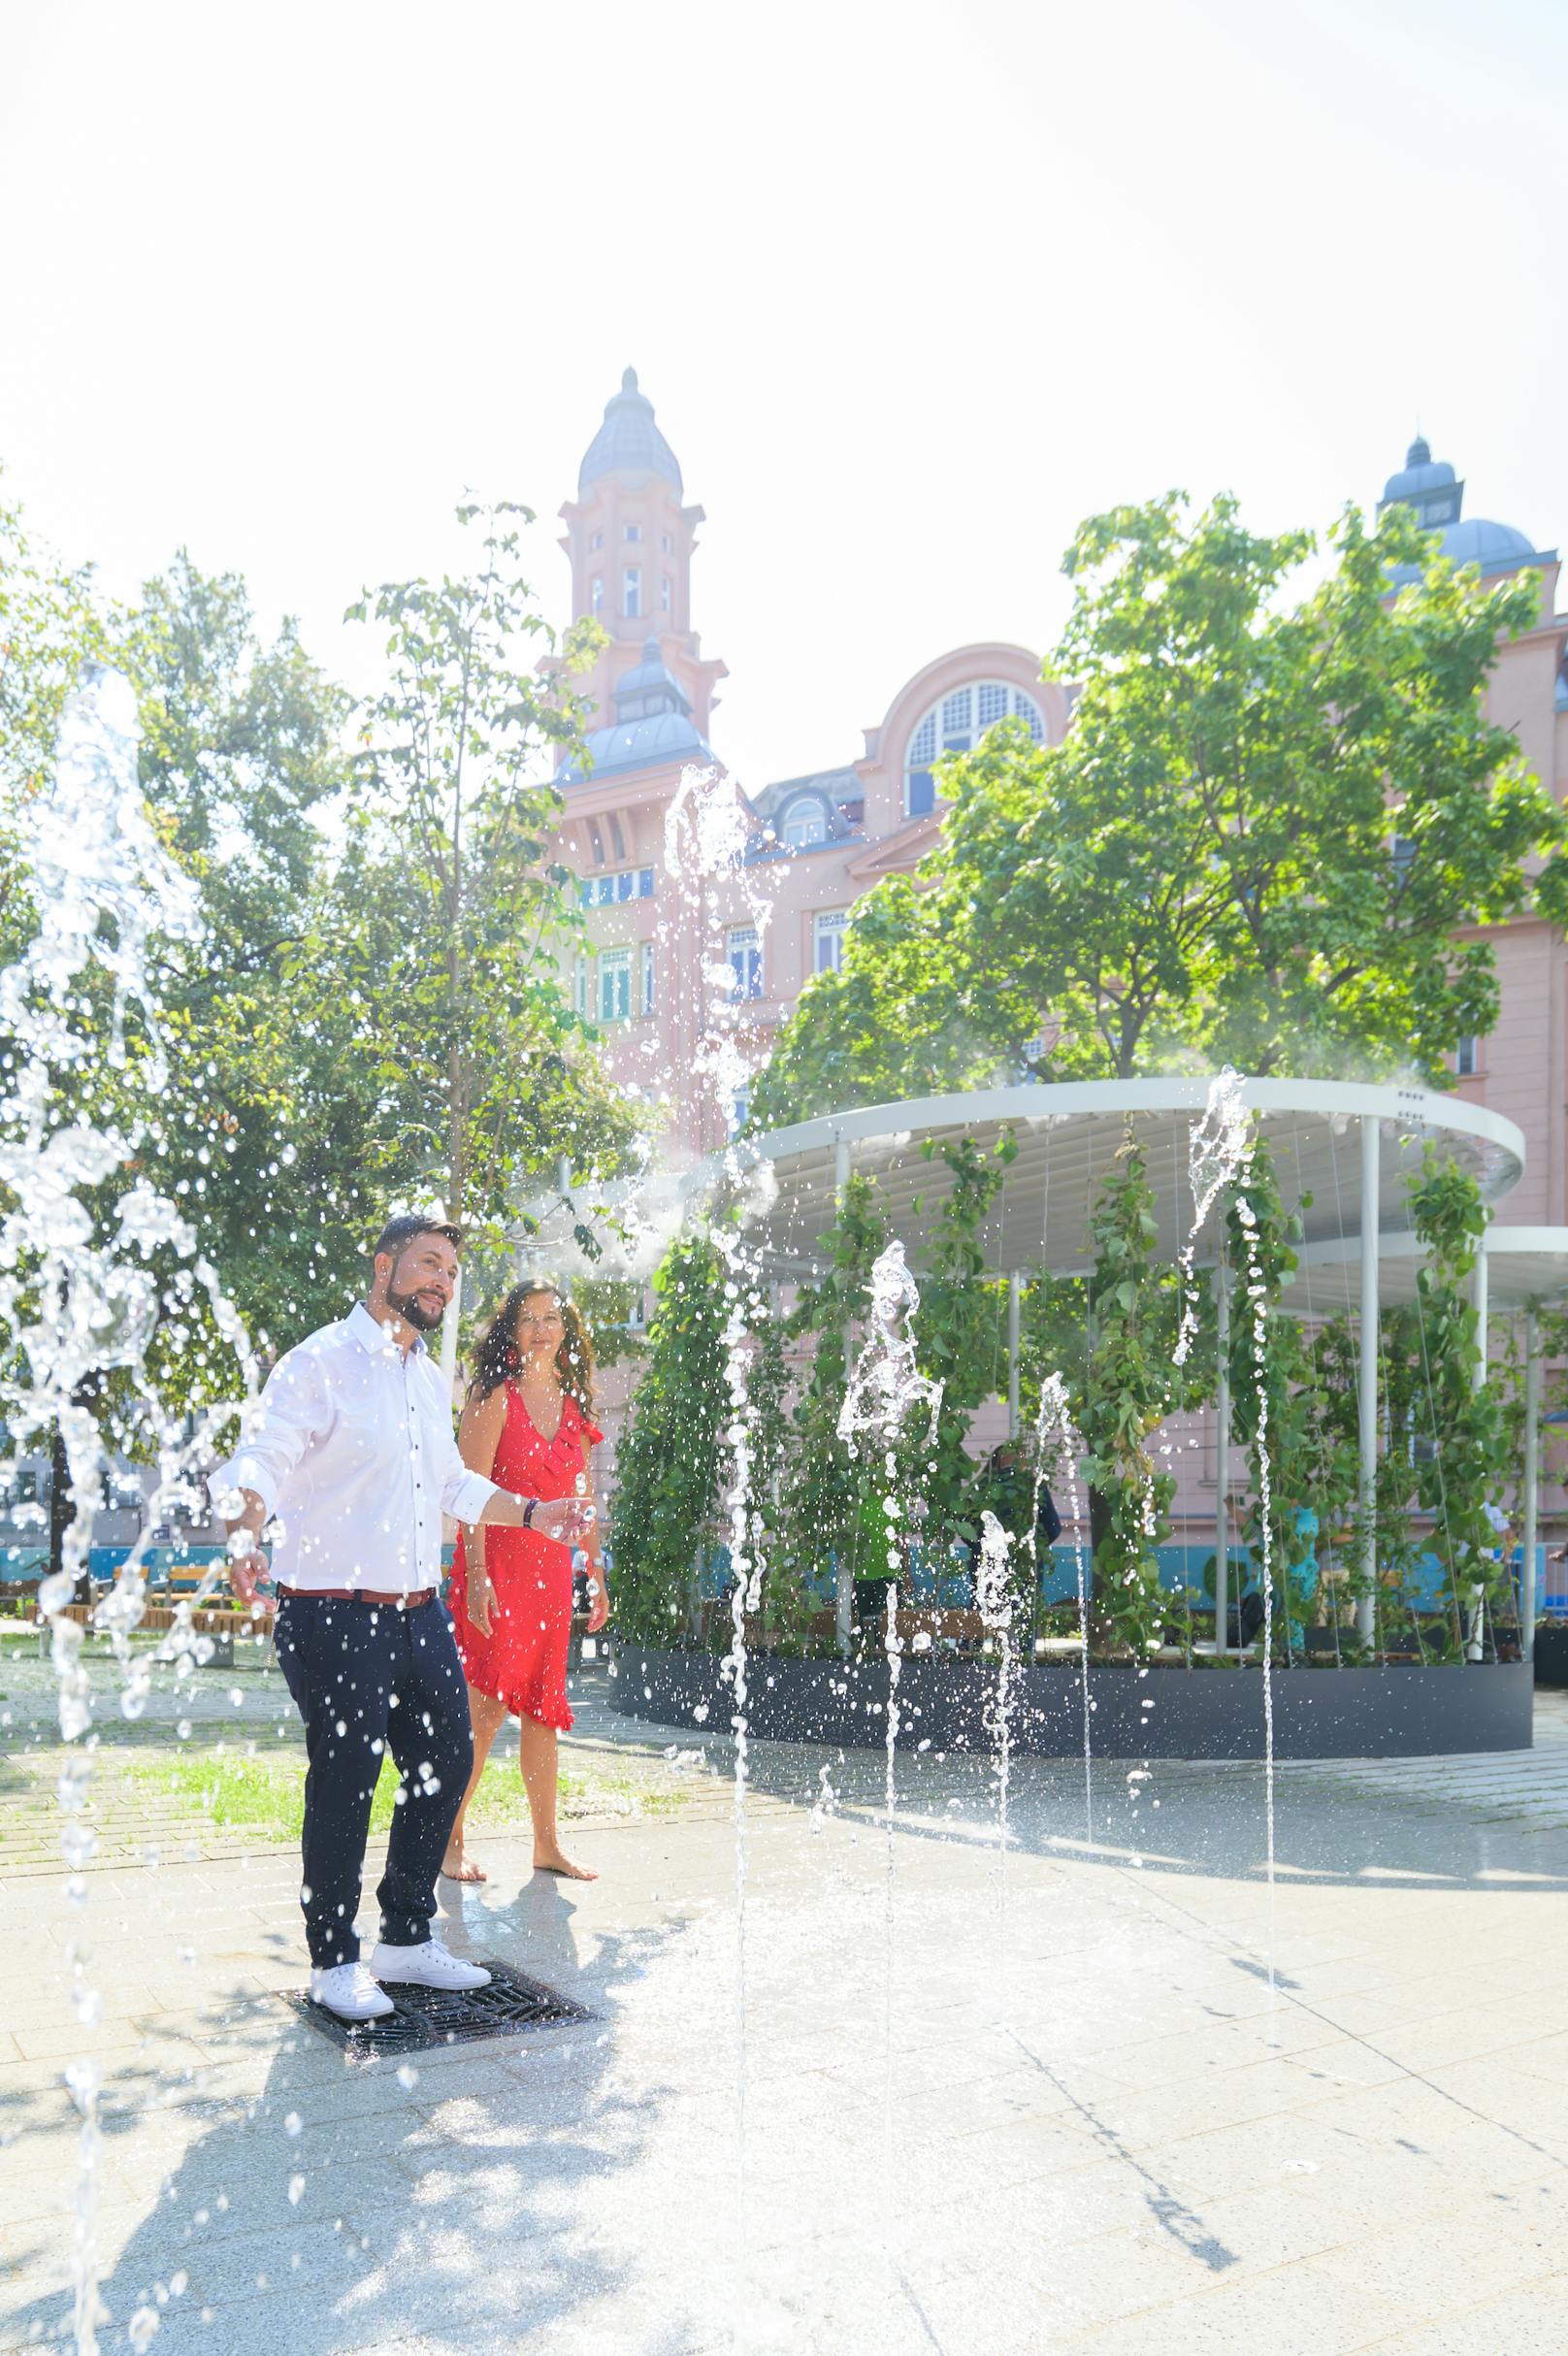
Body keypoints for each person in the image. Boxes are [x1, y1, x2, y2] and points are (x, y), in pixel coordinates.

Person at [215, 1217, 594, 2022]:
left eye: (452, 1272)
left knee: (447, 1762)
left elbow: (454, 1484)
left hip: (419, 1613)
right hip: (332, 1612)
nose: (442, 1283)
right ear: (383, 1265)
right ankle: (332, 1960)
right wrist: (245, 1527)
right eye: (429, 1265)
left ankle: (408, 1938)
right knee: (346, 1781)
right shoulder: (319, 1362)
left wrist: (531, 1513)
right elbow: (266, 1454)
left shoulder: (428, 1377)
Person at [441, 1281, 609, 1885]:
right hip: (495, 1572)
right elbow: (470, 1495)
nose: (542, 1330)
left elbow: (583, 1498)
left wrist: (595, 1566)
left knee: (542, 1711)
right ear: (511, 1331)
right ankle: (449, 1840)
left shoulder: (573, 1406)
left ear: (566, 1331)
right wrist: (479, 1578)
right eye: (530, 1319)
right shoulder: (492, 1398)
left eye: (552, 1319)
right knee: (483, 1711)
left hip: (549, 1580)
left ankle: (546, 1845)